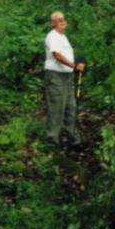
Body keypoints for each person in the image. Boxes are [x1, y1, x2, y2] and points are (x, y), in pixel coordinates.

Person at [43, 11, 85, 149]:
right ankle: (51, 141)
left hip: (67, 77)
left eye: (64, 19)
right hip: (55, 77)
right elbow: (57, 55)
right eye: (59, 20)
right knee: (57, 108)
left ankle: (74, 139)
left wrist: (76, 67)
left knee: (70, 107)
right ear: (53, 23)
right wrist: (74, 66)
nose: (63, 22)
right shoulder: (52, 36)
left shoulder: (63, 37)